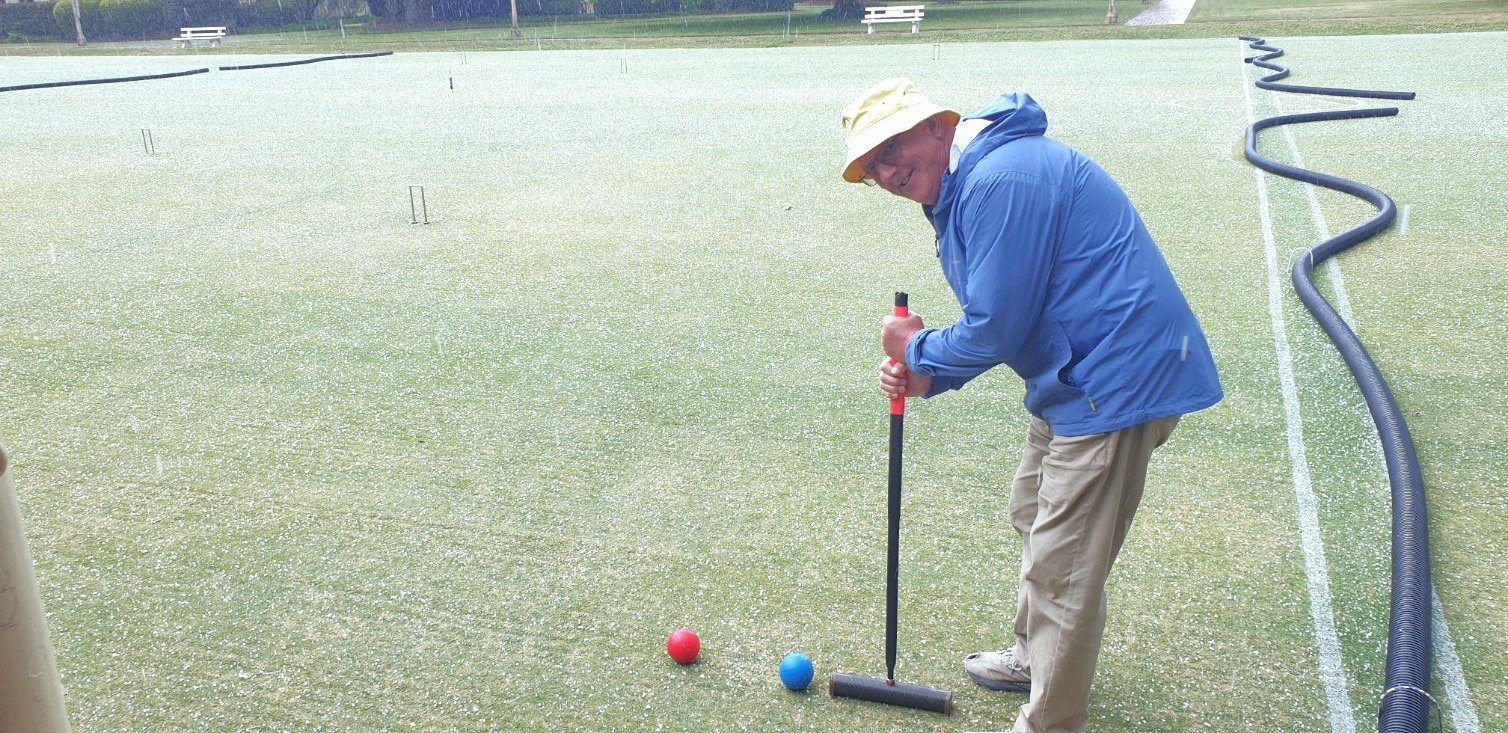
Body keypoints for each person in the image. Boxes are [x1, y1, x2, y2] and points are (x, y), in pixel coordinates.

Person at [840, 77, 1223, 733]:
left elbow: (995, 327)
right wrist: (929, 374)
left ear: (937, 126)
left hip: (1115, 378)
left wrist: (919, 349)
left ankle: (1051, 719)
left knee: (1063, 564)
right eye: (872, 163)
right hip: (1075, 374)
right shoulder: (966, 184)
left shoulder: (1000, 180)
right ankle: (1034, 654)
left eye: (893, 145)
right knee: (1031, 509)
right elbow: (1007, 316)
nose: (886, 169)